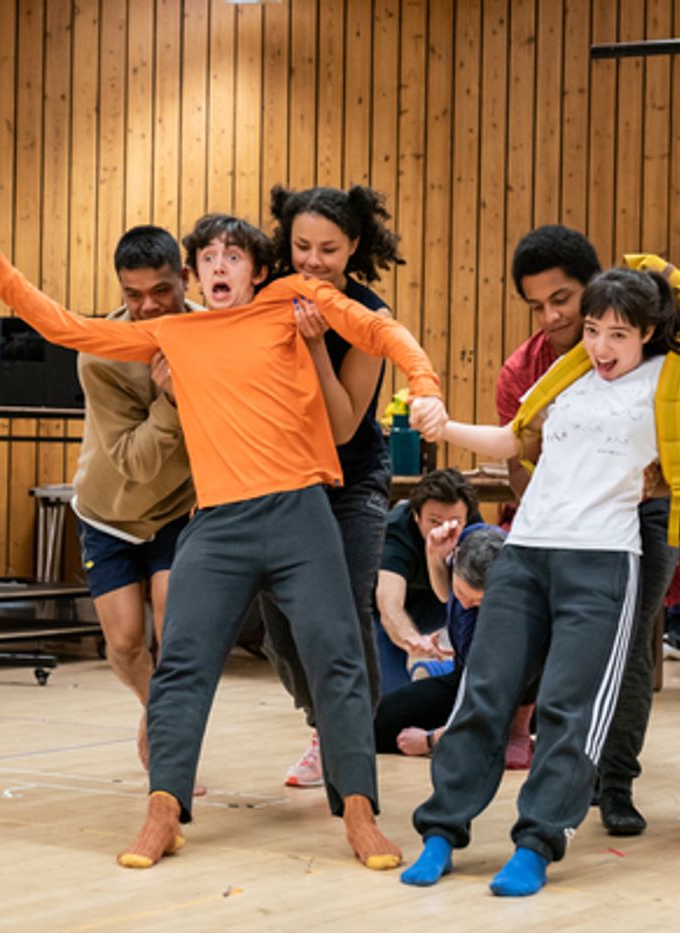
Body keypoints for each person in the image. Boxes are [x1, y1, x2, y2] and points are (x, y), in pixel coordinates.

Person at [0, 206, 447, 873]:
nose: (219, 265)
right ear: (194, 274)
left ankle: (358, 808)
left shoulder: (295, 298)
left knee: (338, 656)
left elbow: (380, 329)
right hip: (218, 523)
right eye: (207, 257)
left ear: (260, 269)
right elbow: (66, 327)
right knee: (179, 662)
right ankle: (164, 807)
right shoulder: (172, 333)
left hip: (301, 512)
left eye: (233, 255)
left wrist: (425, 383)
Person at [401, 267, 680, 896]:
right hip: (527, 551)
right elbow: (513, 440)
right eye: (593, 330)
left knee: (572, 707)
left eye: (617, 334)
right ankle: (441, 831)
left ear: (648, 333)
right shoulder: (567, 374)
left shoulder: (674, 383)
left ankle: (538, 842)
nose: (600, 347)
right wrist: (446, 428)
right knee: (484, 690)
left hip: (601, 561)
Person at [497, 226, 680, 835]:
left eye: (563, 299)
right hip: (557, 528)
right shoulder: (524, 371)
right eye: (537, 305)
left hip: (641, 516)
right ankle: (563, 775)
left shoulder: (658, 360)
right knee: (555, 651)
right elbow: (518, 464)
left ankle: (617, 783)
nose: (551, 316)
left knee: (628, 643)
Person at [258, 185, 408, 789]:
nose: (313, 261)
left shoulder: (370, 318)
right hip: (281, 477)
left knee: (341, 613)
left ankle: (348, 741)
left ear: (353, 248)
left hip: (350, 479)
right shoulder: (266, 296)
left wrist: (316, 343)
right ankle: (322, 722)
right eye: (301, 247)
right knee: (280, 622)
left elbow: (344, 424)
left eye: (328, 249)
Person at [70, 225, 198, 772]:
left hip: (178, 511)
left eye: (161, 291)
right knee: (123, 645)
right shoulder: (99, 353)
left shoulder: (211, 332)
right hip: (110, 510)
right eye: (133, 295)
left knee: (176, 634)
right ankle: (155, 708)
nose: (148, 306)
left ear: (184, 278)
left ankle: (169, 737)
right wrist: (172, 398)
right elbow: (137, 461)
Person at [374, 522, 508, 755]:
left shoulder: (507, 609)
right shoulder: (471, 539)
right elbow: (446, 594)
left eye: (477, 602)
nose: (465, 604)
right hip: (461, 673)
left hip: (500, 691)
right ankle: (442, 668)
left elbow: (488, 701)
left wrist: (431, 740)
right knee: (377, 724)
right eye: (463, 593)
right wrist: (435, 557)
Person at [374, 468, 481, 694]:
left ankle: (443, 673)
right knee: (392, 699)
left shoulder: (473, 528)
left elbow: (454, 596)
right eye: (434, 521)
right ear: (416, 516)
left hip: (445, 600)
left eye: (455, 520)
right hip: (387, 613)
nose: (444, 528)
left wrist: (436, 558)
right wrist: (412, 639)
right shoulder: (396, 532)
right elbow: (389, 604)